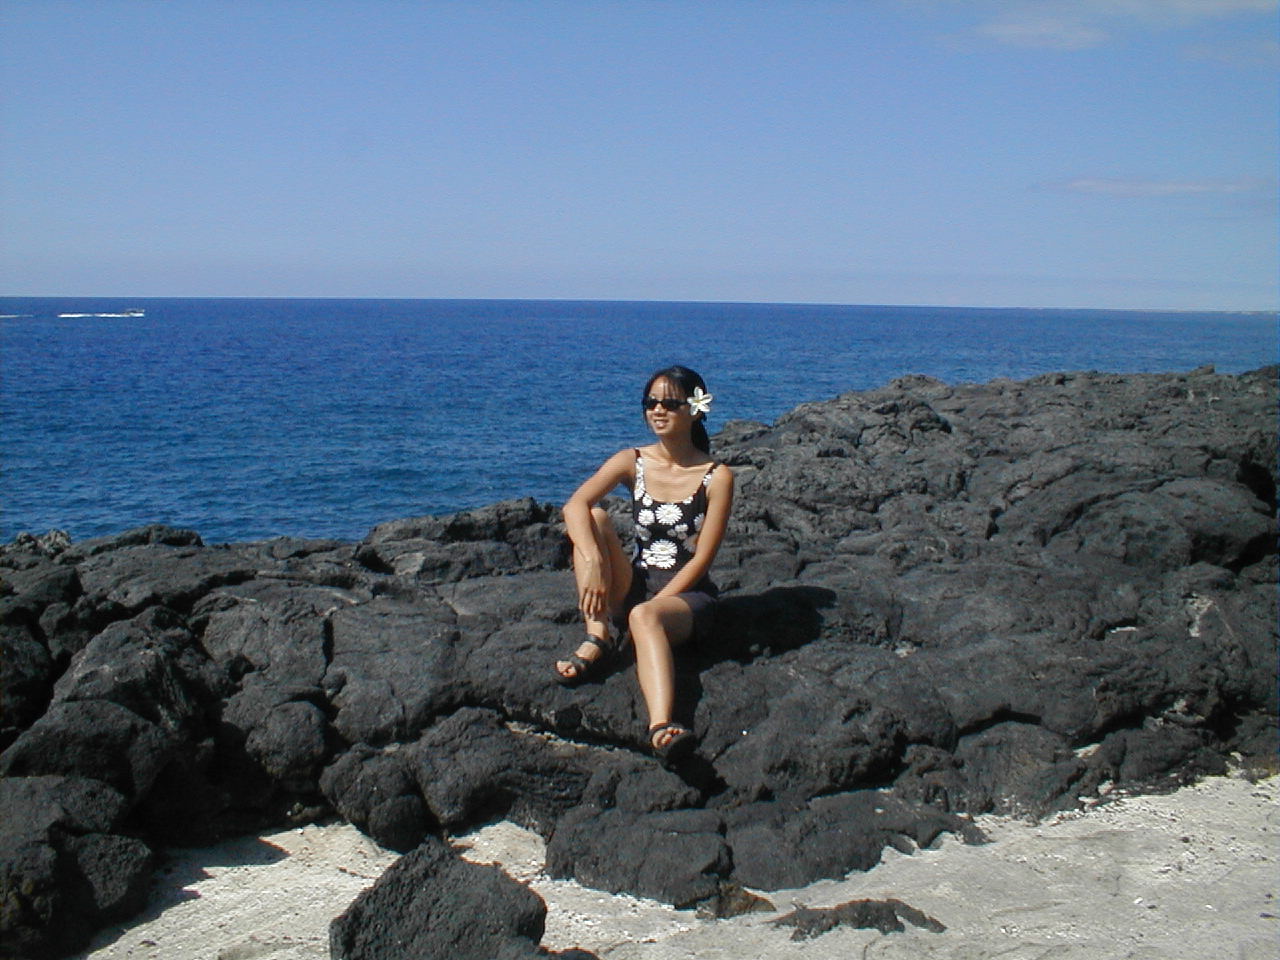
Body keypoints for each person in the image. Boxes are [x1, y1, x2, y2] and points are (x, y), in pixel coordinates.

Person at [553, 365, 734, 760]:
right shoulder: (631, 460)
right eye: (650, 403)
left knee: (644, 616)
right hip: (634, 582)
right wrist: (594, 562)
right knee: (593, 519)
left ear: (695, 409)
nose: (658, 410)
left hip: (686, 595)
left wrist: (652, 608)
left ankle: (660, 726)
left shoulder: (716, 476)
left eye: (669, 403)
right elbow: (574, 506)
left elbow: (702, 558)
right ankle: (598, 635)